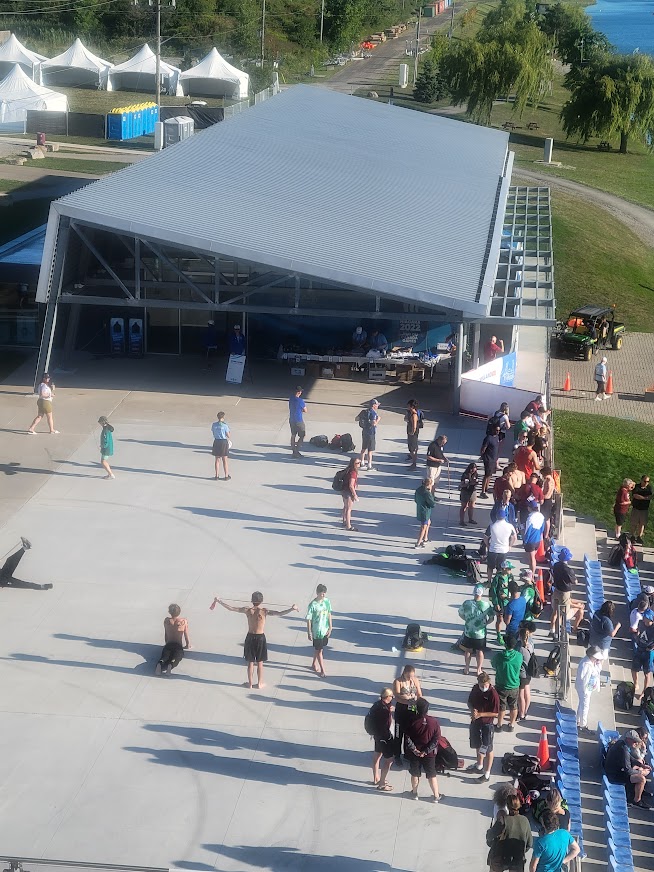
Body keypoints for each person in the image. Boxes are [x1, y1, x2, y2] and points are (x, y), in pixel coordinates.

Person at [214, 592, 298, 689]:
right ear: (261, 601)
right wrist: (292, 609)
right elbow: (279, 613)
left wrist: (219, 601)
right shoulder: (264, 611)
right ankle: (259, 683)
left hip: (250, 637)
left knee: (250, 662)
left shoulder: (247, 610)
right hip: (260, 638)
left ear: (251, 600)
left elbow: (232, 608)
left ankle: (250, 683)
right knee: (260, 662)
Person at [403, 697, 444, 802]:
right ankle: (436, 796)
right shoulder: (434, 722)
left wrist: (415, 750)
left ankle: (414, 793)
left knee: (415, 773)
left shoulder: (412, 721)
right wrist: (426, 751)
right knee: (431, 774)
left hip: (415, 753)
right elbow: (436, 739)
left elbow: (407, 738)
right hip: (429, 754)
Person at [604, 732, 652, 809]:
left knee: (638, 769)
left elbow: (629, 758)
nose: (636, 743)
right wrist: (641, 772)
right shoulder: (623, 749)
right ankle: (637, 800)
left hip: (614, 770)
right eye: (634, 741)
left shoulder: (621, 744)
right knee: (641, 779)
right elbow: (628, 771)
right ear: (628, 739)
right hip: (614, 775)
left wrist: (641, 765)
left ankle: (637, 792)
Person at [467, 671, 500, 783]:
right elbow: (469, 702)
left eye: (486, 685)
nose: (484, 687)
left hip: (487, 724)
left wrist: (481, 714)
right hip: (475, 722)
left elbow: (496, 713)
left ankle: (486, 774)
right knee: (477, 744)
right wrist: (473, 710)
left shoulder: (493, 694)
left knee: (488, 748)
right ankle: (479, 765)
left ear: (489, 683)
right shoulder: (476, 688)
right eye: (482, 685)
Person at [486, 794, 533, 872]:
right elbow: (529, 843)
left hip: (500, 858)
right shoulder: (525, 820)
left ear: (507, 806)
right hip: (517, 859)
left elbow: (490, 836)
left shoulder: (502, 820)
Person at [459, 585, 494, 675]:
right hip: (480, 633)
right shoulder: (486, 605)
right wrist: (485, 623)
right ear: (482, 593)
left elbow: (461, 614)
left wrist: (467, 621)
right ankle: (478, 670)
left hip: (468, 632)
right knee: (480, 651)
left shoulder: (466, 603)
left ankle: (466, 668)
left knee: (468, 650)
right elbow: (491, 618)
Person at [393, 664, 423, 769]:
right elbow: (396, 696)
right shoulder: (398, 681)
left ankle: (407, 754)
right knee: (398, 735)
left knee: (409, 734)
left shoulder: (415, 680)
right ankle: (396, 755)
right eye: (409, 676)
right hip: (401, 710)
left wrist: (418, 703)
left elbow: (419, 693)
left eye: (412, 676)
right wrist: (407, 700)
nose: (411, 678)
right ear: (404, 673)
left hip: (412, 710)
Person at [492, 635, 523, 732]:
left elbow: (493, 665)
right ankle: (511, 724)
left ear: (505, 644)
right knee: (513, 706)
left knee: (502, 706)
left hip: (501, 685)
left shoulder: (498, 656)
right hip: (514, 685)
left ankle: (499, 725)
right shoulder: (519, 656)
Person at [368, 688, 395, 791]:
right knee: (389, 760)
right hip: (384, 737)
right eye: (391, 696)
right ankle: (382, 784)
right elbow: (385, 726)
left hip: (377, 736)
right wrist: (389, 738)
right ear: (387, 697)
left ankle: (376, 778)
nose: (392, 697)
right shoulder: (384, 711)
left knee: (377, 756)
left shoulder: (376, 705)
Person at [589, 600, 621, 686]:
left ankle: (591, 672)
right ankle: (595, 677)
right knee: (599, 662)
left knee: (592, 658)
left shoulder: (596, 613)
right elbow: (612, 634)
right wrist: (617, 626)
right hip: (603, 645)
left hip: (593, 640)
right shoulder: (606, 621)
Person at [156, 603, 191, 676]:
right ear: (179, 612)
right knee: (177, 657)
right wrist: (188, 645)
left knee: (164, 657)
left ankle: (160, 663)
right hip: (178, 645)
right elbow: (186, 634)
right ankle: (170, 665)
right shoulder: (183, 621)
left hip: (169, 644)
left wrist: (166, 644)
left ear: (169, 612)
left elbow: (166, 633)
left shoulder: (166, 621)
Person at [575, 645, 604, 732]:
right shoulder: (585, 664)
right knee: (585, 706)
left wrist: (598, 663)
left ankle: (578, 720)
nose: (597, 660)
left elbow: (598, 671)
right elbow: (583, 678)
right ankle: (583, 725)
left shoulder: (592, 663)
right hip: (584, 689)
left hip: (588, 688)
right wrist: (585, 691)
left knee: (582, 704)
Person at [306, 584, 332, 678]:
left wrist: (330, 627)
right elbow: (308, 619)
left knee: (318, 649)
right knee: (320, 650)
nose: (323, 595)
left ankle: (313, 664)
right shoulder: (312, 605)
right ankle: (322, 670)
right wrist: (309, 632)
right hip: (317, 632)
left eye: (324, 593)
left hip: (324, 630)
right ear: (317, 593)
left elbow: (329, 613)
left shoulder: (327, 601)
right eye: (322, 594)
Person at [550, 547, 576, 638]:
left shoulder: (556, 565)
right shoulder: (569, 570)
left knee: (555, 612)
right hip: (564, 594)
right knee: (561, 615)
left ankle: (552, 630)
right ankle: (557, 634)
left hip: (556, 590)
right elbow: (574, 581)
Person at [484, 517, 518, 585]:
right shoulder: (509, 526)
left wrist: (487, 545)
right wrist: (510, 545)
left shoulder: (492, 526)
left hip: (493, 549)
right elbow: (514, 537)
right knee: (500, 569)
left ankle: (489, 581)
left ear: (496, 517)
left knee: (490, 567)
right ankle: (497, 582)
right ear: (504, 517)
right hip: (503, 550)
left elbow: (485, 537)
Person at [490, 559, 515, 642]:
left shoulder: (510, 576)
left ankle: (508, 634)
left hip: (508, 601)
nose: (510, 570)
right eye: (509, 569)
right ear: (504, 569)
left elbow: (513, 587)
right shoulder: (497, 578)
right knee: (500, 619)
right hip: (500, 602)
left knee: (508, 619)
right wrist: (496, 603)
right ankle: (499, 635)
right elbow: (493, 591)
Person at [631, 609, 654, 698]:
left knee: (647, 673)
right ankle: (636, 684)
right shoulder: (641, 623)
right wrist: (637, 635)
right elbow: (638, 631)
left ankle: (644, 692)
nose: (643, 618)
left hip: (648, 652)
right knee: (634, 669)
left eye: (645, 617)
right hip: (639, 648)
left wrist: (652, 647)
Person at [523, 501, 546, 575]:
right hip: (538, 540)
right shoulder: (541, 516)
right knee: (533, 558)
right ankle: (531, 572)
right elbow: (542, 529)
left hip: (531, 541)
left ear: (530, 508)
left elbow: (527, 532)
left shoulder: (530, 518)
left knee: (532, 559)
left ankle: (531, 575)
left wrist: (525, 541)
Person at [518, 625, 534, 721]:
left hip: (522, 673)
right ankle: (526, 711)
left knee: (521, 694)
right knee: (527, 692)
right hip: (529, 672)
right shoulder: (531, 645)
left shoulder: (520, 649)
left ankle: (521, 713)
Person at [480, 426, 502, 499]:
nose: (497, 432)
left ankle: (486, 488)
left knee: (490, 475)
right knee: (486, 475)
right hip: (488, 459)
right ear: (492, 429)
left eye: (499, 430)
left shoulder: (497, 437)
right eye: (496, 430)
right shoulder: (488, 438)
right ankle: (482, 492)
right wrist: (483, 457)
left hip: (494, 459)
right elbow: (483, 449)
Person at [414, 478, 436, 548]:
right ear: (429, 484)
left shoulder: (418, 490)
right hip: (425, 511)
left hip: (420, 509)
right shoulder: (427, 493)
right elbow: (432, 504)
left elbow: (416, 500)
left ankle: (425, 538)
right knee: (423, 527)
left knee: (428, 522)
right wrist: (431, 494)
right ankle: (418, 543)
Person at [359, 399, 380, 471]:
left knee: (363, 448)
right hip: (371, 433)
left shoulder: (364, 411)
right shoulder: (373, 413)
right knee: (370, 450)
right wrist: (378, 419)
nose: (377, 406)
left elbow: (356, 418)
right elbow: (373, 423)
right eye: (377, 405)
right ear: (374, 405)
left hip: (364, 431)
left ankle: (362, 463)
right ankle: (369, 465)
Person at [340, 456, 361, 532]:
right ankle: (348, 526)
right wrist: (355, 495)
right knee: (349, 509)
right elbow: (351, 485)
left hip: (343, 490)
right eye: (358, 463)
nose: (359, 464)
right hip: (348, 492)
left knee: (345, 506)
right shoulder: (353, 473)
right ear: (354, 464)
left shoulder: (347, 470)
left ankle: (344, 521)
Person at [631, 474, 652, 544]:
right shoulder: (637, 487)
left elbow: (650, 496)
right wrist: (644, 498)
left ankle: (639, 537)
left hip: (644, 509)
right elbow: (635, 495)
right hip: (636, 508)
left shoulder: (649, 488)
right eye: (645, 481)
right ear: (641, 480)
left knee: (642, 524)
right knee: (634, 523)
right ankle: (632, 536)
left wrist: (643, 497)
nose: (646, 483)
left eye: (648, 481)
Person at [211, 411, 231, 480]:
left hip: (216, 441)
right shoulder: (225, 425)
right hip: (223, 442)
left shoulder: (214, 425)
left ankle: (216, 475)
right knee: (225, 459)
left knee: (217, 459)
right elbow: (228, 435)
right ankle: (226, 475)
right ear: (223, 418)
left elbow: (213, 432)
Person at [288, 386, 307, 458]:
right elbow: (305, 410)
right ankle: (297, 450)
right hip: (299, 420)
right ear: (299, 392)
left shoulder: (291, 399)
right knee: (302, 435)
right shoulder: (300, 401)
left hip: (291, 419)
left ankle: (293, 450)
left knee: (293, 435)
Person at [541, 467, 556, 539]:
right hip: (548, 500)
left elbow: (548, 490)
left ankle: (546, 535)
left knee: (546, 518)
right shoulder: (551, 480)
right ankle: (545, 533)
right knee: (546, 518)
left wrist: (542, 497)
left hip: (546, 500)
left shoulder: (548, 480)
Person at [405, 400, 420, 470]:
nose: (407, 407)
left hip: (413, 434)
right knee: (411, 448)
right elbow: (405, 419)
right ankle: (413, 462)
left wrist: (412, 432)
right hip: (410, 432)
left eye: (408, 406)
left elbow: (414, 425)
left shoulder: (414, 415)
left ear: (412, 406)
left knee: (413, 448)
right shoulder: (409, 413)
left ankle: (414, 464)